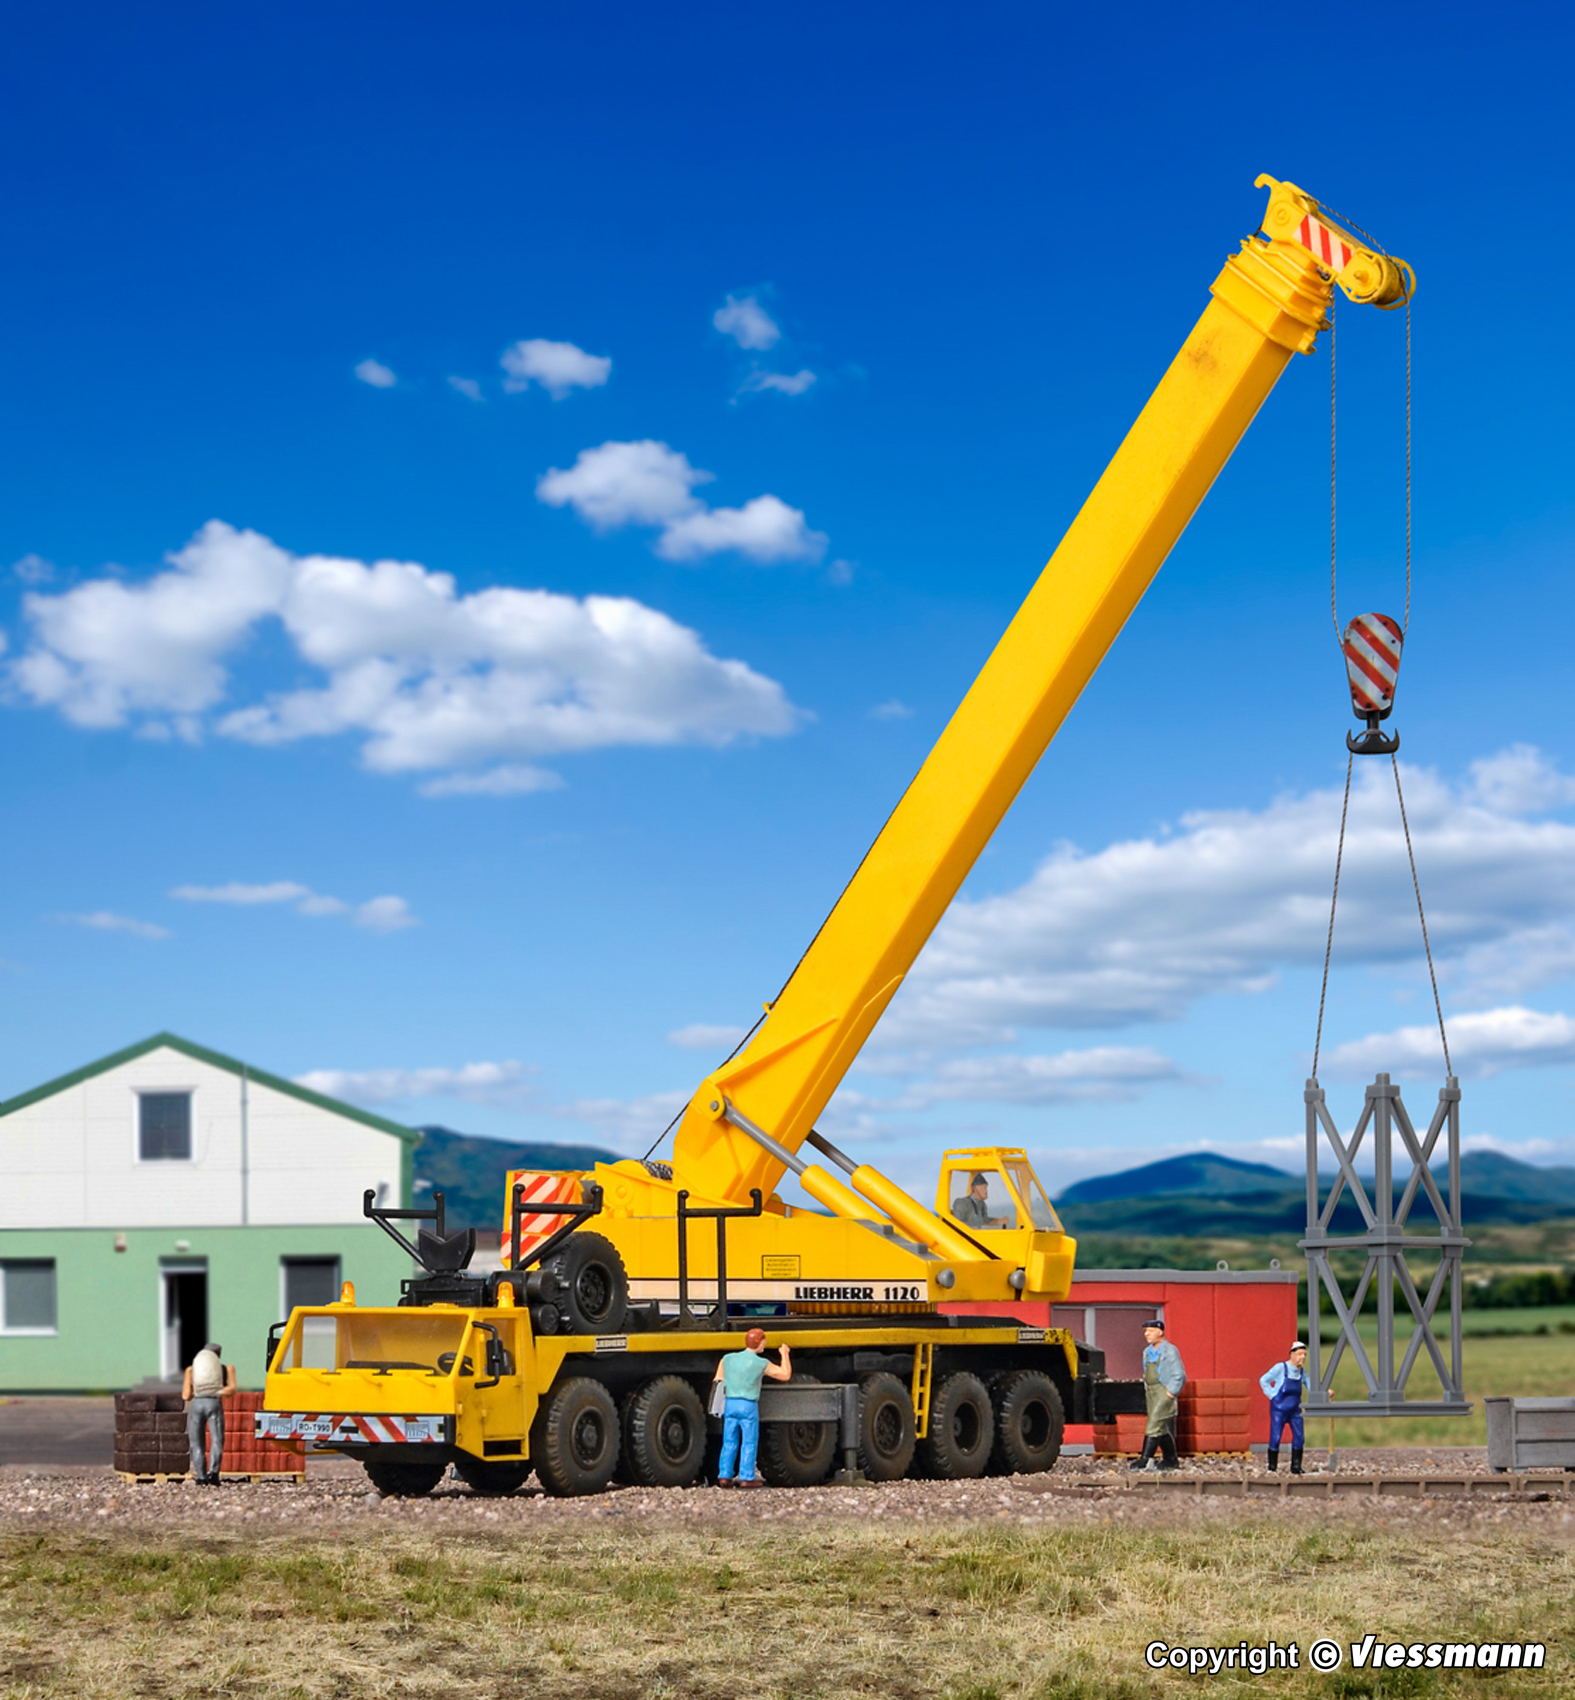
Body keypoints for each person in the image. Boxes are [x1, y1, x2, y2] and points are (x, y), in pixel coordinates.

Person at [712, 1327, 791, 1487]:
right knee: (749, 1442)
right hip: (748, 1405)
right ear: (759, 1343)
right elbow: (785, 1374)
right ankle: (746, 1477)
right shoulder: (761, 1363)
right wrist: (785, 1354)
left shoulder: (727, 1359)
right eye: (763, 1342)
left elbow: (718, 1380)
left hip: (730, 1403)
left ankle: (724, 1476)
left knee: (729, 1441)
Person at [1129, 1319, 1185, 1472]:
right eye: (1145, 1331)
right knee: (1161, 1428)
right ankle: (1170, 1460)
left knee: (1153, 1424)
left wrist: (1170, 1393)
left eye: (1151, 1331)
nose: (1147, 1334)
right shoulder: (1147, 1352)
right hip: (1151, 1392)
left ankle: (1146, 1459)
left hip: (1163, 1390)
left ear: (1160, 1332)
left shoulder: (1170, 1351)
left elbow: (1179, 1374)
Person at [183, 1341, 237, 1484]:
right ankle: (214, 1474)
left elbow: (186, 1395)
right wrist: (216, 1390)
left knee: (196, 1442)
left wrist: (199, 1390)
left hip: (197, 1404)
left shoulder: (191, 1370)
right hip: (214, 1403)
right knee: (217, 1440)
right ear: (218, 1354)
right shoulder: (226, 1369)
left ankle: (201, 1476)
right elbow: (231, 1390)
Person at [1260, 1341, 1309, 1474]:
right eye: (1299, 1354)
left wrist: (1325, 1392)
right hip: (1279, 1410)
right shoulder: (1280, 1368)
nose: (1302, 1357)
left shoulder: (1303, 1373)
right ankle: (1272, 1466)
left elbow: (1311, 1387)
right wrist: (1272, 1396)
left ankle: (1296, 1466)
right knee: (1276, 1436)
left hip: (1295, 1410)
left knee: (1299, 1437)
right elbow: (1263, 1380)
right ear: (1292, 1354)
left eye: (1304, 1354)